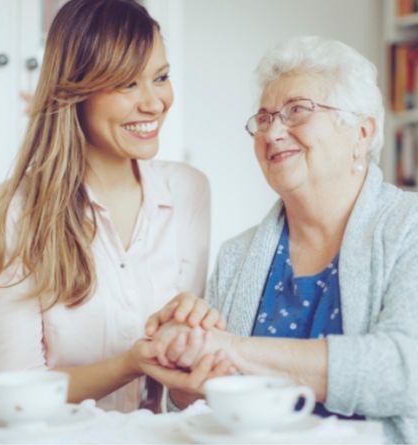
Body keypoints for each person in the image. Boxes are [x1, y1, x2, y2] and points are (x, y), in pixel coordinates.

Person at [144, 36, 418, 444]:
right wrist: (187, 377)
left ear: (362, 132)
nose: (272, 132)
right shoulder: (237, 255)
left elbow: (403, 369)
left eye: (296, 112)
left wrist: (231, 349)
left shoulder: (408, 227)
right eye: (264, 117)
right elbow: (200, 404)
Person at [0, 0, 226, 413]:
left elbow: (181, 391)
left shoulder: (189, 190)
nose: (154, 103)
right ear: (75, 91)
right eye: (127, 84)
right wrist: (130, 363)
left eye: (160, 77)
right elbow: (12, 392)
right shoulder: (16, 207)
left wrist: (187, 350)